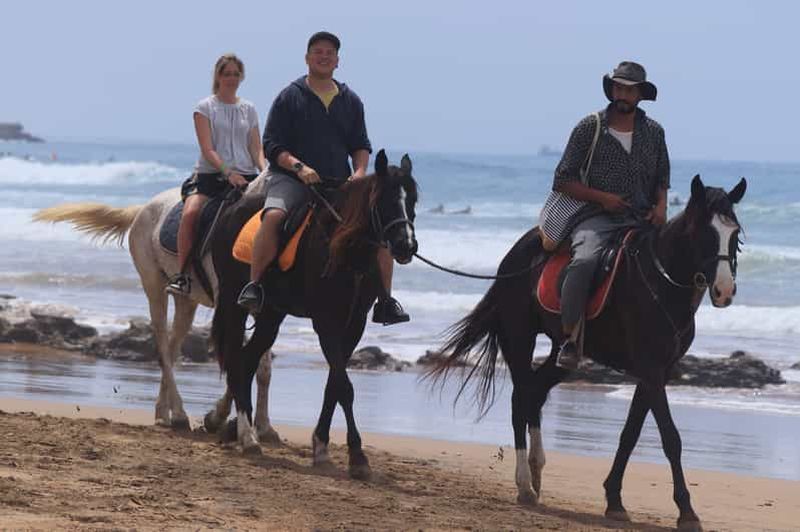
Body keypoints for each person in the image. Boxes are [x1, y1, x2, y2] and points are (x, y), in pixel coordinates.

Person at [237, 31, 409, 325]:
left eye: (329, 53)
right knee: (275, 216)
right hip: (290, 179)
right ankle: (255, 285)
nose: (324, 56)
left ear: (337, 61)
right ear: (307, 58)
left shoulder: (351, 100)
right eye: (318, 51)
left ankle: (385, 300)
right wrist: (299, 167)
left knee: (378, 227)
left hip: (339, 183)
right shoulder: (289, 96)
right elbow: (273, 145)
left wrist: (358, 173)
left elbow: (360, 144)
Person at [551, 61, 670, 369]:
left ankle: (672, 336)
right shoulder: (589, 127)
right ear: (611, 90)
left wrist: (661, 207)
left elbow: (661, 178)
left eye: (629, 90)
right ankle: (570, 338)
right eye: (618, 87)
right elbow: (563, 179)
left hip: (643, 218)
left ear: (640, 95)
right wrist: (603, 199)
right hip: (595, 216)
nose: (623, 94)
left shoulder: (655, 133)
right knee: (585, 261)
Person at [166, 54, 265, 295]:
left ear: (241, 77)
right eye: (226, 73)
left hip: (246, 178)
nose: (231, 78)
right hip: (211, 177)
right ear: (218, 76)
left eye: (235, 74)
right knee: (190, 214)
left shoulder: (248, 108)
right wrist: (228, 173)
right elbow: (207, 148)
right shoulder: (205, 107)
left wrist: (266, 170)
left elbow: (255, 147)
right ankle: (183, 276)